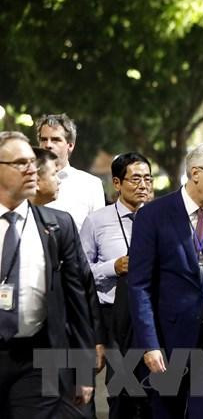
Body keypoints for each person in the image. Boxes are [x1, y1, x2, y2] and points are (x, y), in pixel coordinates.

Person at [128, 142, 203, 419]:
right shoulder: (153, 215)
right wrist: (150, 345)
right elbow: (139, 286)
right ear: (195, 173)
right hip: (168, 342)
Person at [0, 131, 96, 417]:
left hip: (39, 357)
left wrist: (83, 371)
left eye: (32, 162)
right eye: (20, 163)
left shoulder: (57, 226)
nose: (31, 169)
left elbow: (77, 301)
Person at [80, 152, 153, 419]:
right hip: (113, 316)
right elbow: (81, 271)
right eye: (135, 179)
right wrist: (113, 267)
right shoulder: (97, 221)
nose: (143, 185)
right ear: (117, 183)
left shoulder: (159, 217)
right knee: (122, 392)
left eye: (147, 179)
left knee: (155, 389)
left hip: (152, 314)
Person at [37, 114, 105, 230]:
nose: (48, 145)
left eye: (55, 140)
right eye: (44, 139)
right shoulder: (27, 180)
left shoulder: (91, 184)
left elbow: (98, 232)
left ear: (70, 145)